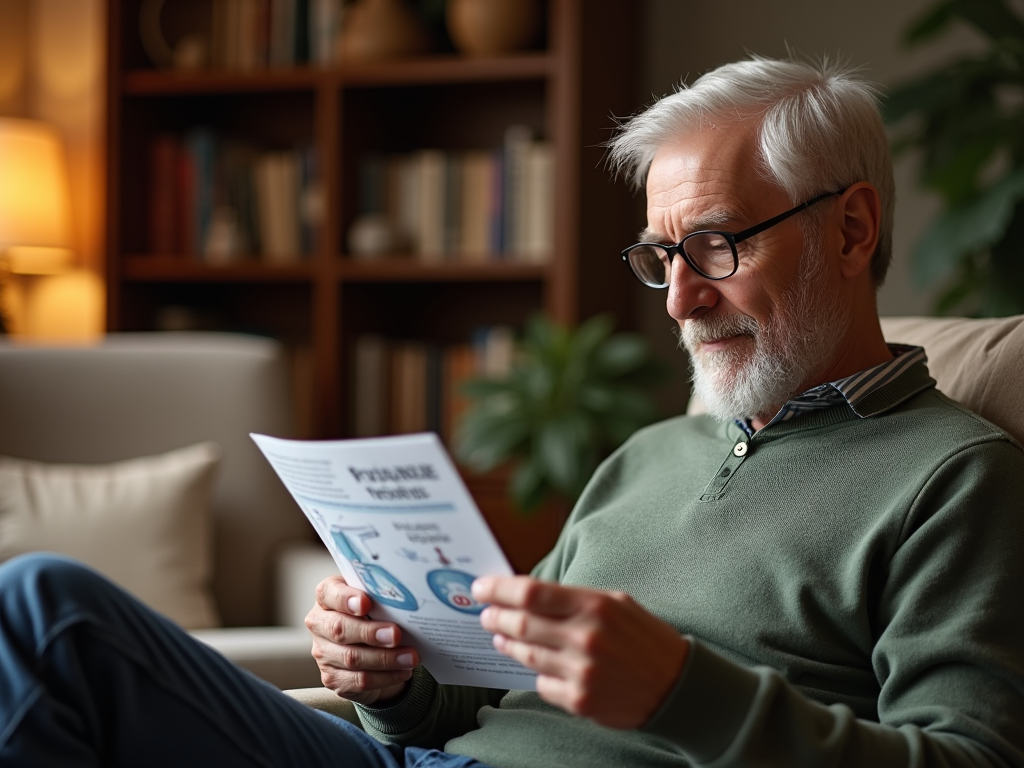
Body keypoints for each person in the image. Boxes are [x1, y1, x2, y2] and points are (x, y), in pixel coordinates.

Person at [2, 56, 1023, 768]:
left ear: (849, 231)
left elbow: (968, 758)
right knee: (44, 607)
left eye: (716, 246)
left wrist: (681, 693)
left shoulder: (953, 475)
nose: (677, 299)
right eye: (660, 258)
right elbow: (481, 697)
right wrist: (395, 680)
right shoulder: (649, 454)